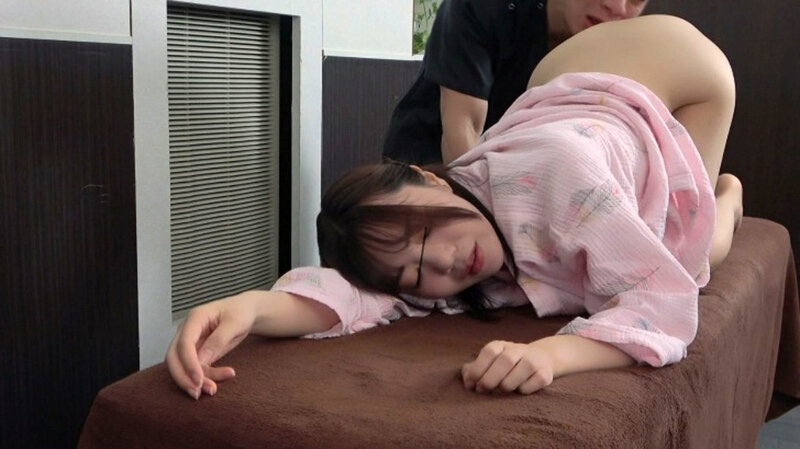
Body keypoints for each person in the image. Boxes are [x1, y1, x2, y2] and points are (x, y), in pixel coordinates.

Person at [166, 15, 743, 401]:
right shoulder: (429, 270)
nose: (442, 263)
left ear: (428, 177)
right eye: (415, 274)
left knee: (695, 254)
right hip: (558, 98)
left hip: (680, 66)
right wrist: (249, 306)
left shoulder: (566, 186)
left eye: (423, 233)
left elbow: (665, 302)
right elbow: (358, 295)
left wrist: (554, 353)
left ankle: (730, 196)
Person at [383, 0, 650, 166]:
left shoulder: (624, 42)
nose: (617, 6)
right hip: (427, 165)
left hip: (525, 174)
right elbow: (463, 132)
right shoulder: (483, 7)